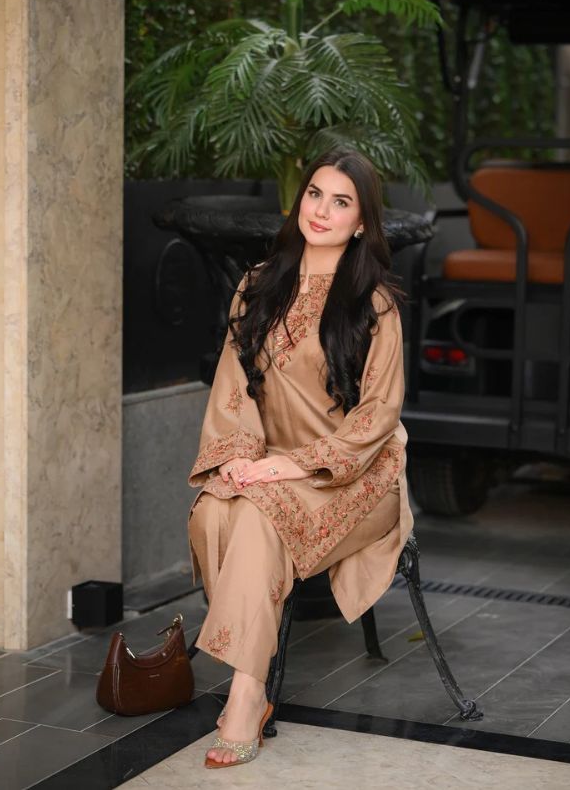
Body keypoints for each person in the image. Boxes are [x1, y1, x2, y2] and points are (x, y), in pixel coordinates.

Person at [187, 146, 413, 768]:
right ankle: (251, 675)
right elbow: (231, 388)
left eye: (342, 202)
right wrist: (237, 457)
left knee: (257, 516)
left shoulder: (376, 304)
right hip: (267, 465)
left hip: (357, 477)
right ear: (300, 201)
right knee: (212, 512)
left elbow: (378, 417)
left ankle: (245, 696)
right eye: (316, 194)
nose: (323, 210)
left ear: (362, 222)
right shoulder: (257, 285)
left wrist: (289, 466)